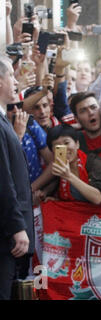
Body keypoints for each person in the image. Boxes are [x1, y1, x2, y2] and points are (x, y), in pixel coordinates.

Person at [0, 54, 34, 300]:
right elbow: (3, 181)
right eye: (11, 74)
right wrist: (17, 227)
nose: (15, 80)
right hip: (6, 235)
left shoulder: (4, 122)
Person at [46, 124, 101, 204]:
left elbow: (97, 199)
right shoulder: (58, 169)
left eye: (66, 143)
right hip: (78, 212)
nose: (64, 149)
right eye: (58, 146)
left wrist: (69, 176)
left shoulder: (93, 162)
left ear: (77, 144)